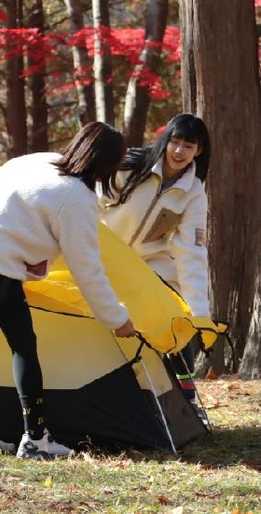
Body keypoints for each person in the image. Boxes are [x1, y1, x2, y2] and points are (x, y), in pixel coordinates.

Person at [0, 122, 136, 461]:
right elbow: (87, 271)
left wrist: (29, 259)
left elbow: (10, 212)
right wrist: (117, 318)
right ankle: (36, 439)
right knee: (23, 345)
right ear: (107, 165)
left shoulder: (38, 161)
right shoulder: (77, 197)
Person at [99, 113, 211, 398]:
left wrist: (199, 313)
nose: (179, 151)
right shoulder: (132, 166)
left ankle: (185, 386)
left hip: (149, 262)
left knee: (174, 311)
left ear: (199, 151)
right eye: (175, 142)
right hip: (105, 253)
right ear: (166, 141)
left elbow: (192, 250)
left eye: (188, 146)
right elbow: (94, 204)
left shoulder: (193, 191)